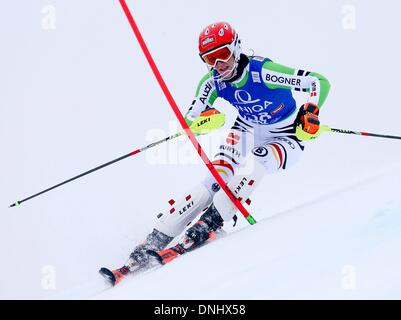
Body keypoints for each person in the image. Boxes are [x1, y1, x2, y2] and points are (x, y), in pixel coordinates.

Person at [117, 22, 330, 277]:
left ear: (237, 48)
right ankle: (157, 236)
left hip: (286, 135)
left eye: (224, 55)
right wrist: (202, 121)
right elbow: (190, 119)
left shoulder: (263, 72)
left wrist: (311, 111)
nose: (219, 64)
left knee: (259, 161)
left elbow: (318, 81)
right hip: (247, 128)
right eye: (210, 58)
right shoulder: (212, 82)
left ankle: (212, 222)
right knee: (215, 179)